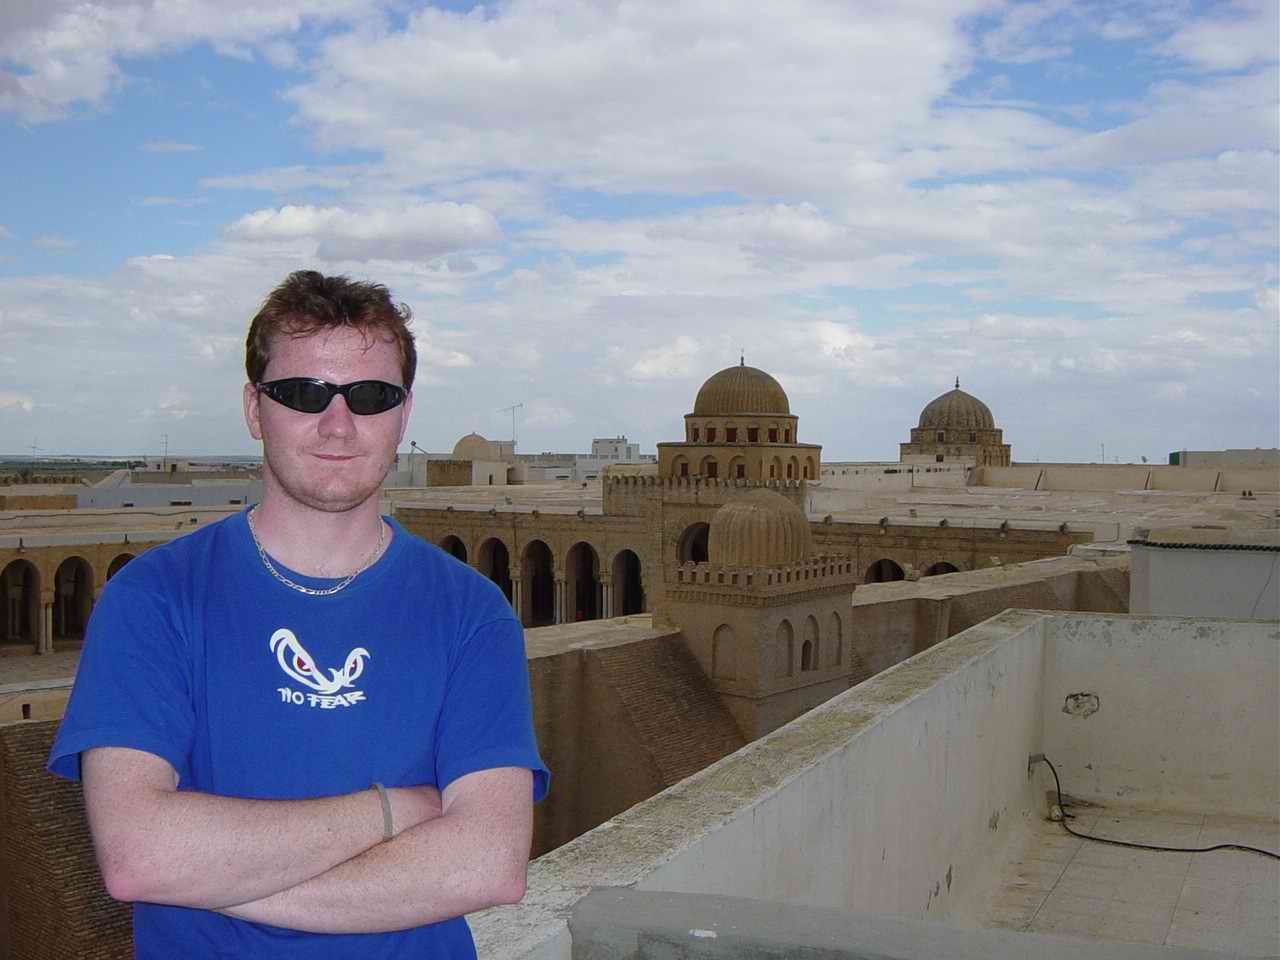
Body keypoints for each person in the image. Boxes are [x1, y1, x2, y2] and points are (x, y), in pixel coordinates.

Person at [48, 270, 548, 959]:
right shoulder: (153, 599)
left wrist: (210, 879)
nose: (338, 424)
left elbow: (488, 864)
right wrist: (391, 810)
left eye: (371, 396)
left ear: (403, 415)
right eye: (304, 393)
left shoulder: (471, 614)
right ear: (255, 409)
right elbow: (138, 856)